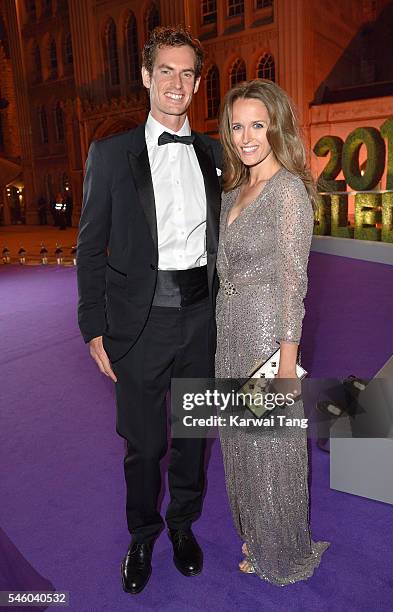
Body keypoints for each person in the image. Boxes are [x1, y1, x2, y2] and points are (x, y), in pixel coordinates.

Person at [77, 26, 221, 595]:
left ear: (198, 82)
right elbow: (89, 248)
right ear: (145, 76)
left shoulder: (212, 151)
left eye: (187, 73)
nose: (177, 83)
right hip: (137, 325)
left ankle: (183, 526)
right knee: (144, 445)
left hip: (200, 319)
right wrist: (93, 328)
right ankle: (142, 534)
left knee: (192, 435)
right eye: (166, 71)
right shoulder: (111, 155)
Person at [216, 79, 329, 584]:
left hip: (267, 334)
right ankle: (255, 534)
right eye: (237, 126)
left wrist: (287, 360)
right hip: (230, 330)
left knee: (270, 446)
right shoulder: (234, 190)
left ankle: (280, 550)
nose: (245, 137)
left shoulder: (287, 191)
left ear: (276, 126)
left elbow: (292, 279)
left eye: (257, 125)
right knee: (239, 440)